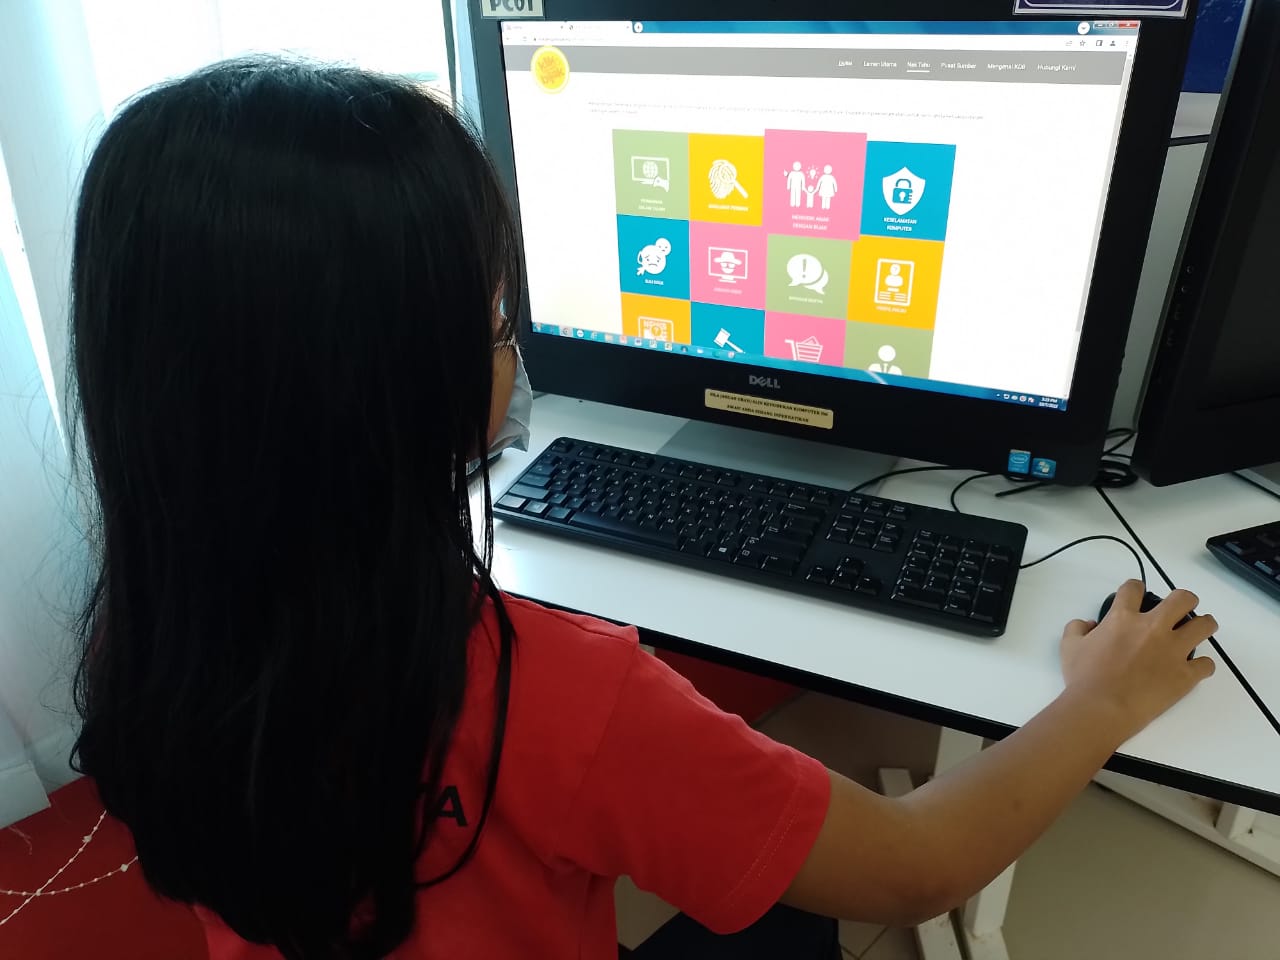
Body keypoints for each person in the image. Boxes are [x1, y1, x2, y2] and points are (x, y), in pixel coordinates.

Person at [68, 58, 1218, 960]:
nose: (510, 352)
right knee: (793, 923)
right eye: (493, 324)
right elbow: (915, 867)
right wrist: (1099, 700)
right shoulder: (553, 693)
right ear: (410, 389)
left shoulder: (152, 639)